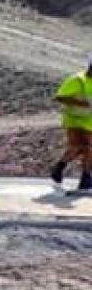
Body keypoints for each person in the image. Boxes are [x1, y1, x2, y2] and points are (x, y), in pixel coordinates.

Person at [52, 56, 92, 192]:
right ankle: (85, 178)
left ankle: (62, 169)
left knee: (85, 149)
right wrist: (81, 103)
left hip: (89, 121)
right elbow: (60, 97)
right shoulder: (77, 80)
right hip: (75, 120)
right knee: (82, 147)